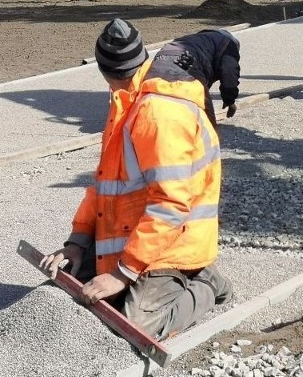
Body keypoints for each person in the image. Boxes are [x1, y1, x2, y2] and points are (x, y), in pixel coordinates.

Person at [40, 18, 233, 341]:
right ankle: (125, 273)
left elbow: (170, 205)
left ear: (103, 71)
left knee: (135, 327)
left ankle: (207, 285)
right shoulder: (126, 103)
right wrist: (77, 243)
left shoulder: (159, 115)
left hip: (175, 245)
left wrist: (122, 273)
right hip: (138, 240)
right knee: (66, 285)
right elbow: (104, 184)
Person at [154, 29, 241, 129]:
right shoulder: (228, 44)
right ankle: (205, 138)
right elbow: (229, 72)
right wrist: (230, 100)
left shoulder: (201, 40)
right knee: (202, 108)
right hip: (187, 60)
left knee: (160, 98)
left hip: (161, 56)